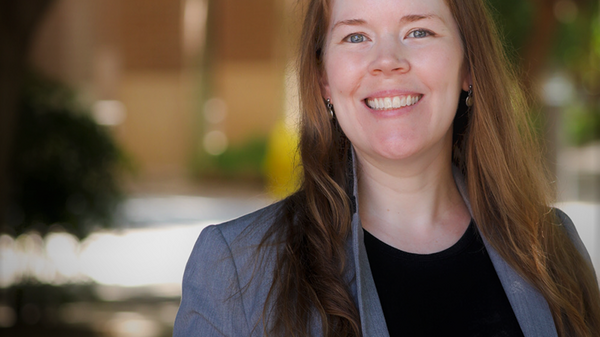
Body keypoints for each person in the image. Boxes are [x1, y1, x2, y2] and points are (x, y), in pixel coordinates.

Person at [174, 0, 600, 336]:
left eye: (419, 30)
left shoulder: (553, 248)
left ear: (468, 65)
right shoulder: (236, 269)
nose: (387, 60)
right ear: (324, 78)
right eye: (356, 36)